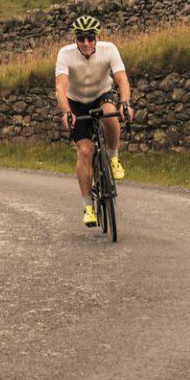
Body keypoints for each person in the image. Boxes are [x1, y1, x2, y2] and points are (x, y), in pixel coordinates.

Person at [55, 15, 133, 227]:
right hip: (76, 102)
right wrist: (66, 112)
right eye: (81, 39)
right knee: (85, 151)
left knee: (109, 111)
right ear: (75, 39)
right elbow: (61, 87)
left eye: (90, 38)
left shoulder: (110, 49)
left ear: (97, 37)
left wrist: (125, 103)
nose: (86, 43)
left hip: (102, 94)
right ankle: (88, 206)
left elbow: (121, 79)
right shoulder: (65, 54)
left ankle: (114, 158)